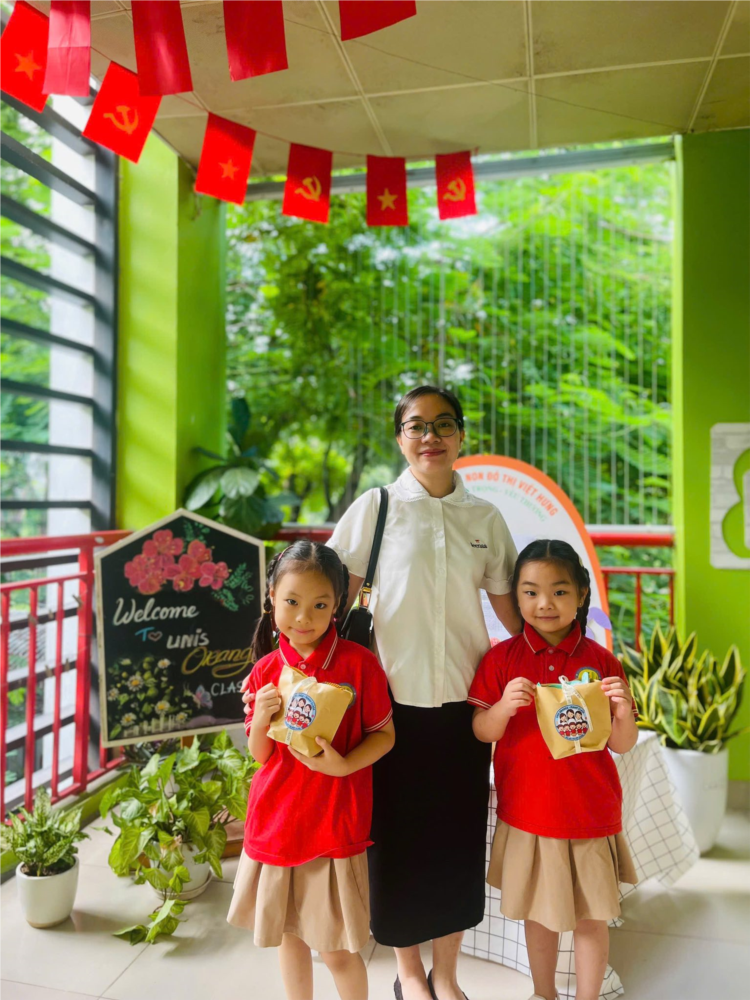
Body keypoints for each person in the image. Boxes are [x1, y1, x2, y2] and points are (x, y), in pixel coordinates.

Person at [327, 386, 521, 1000]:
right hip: (388, 707)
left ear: (461, 436)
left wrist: (562, 660)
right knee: (397, 841)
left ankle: (448, 975)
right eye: (416, 426)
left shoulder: (484, 518)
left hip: (466, 706)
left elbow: (513, 614)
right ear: (400, 437)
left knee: (457, 840)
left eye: (443, 424)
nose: (430, 436)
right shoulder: (376, 508)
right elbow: (330, 599)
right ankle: (409, 973)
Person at [468, 539, 639, 1000]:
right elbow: (481, 730)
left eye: (559, 591)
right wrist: (503, 708)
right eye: (530, 592)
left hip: (590, 813)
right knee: (539, 917)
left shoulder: (601, 661)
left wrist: (624, 713)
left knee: (591, 918)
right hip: (528, 814)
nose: (544, 603)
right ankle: (543, 993)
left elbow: (622, 744)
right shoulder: (502, 659)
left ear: (582, 594)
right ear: (515, 596)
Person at [228, 541, 395, 1000]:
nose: (303, 618)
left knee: (337, 949)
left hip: (334, 825)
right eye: (292, 602)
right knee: (290, 937)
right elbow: (261, 755)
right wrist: (260, 718)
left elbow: (384, 735)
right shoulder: (265, 670)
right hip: (278, 822)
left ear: (338, 604)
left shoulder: (360, 665)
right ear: (272, 598)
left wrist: (344, 766)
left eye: (320, 605)